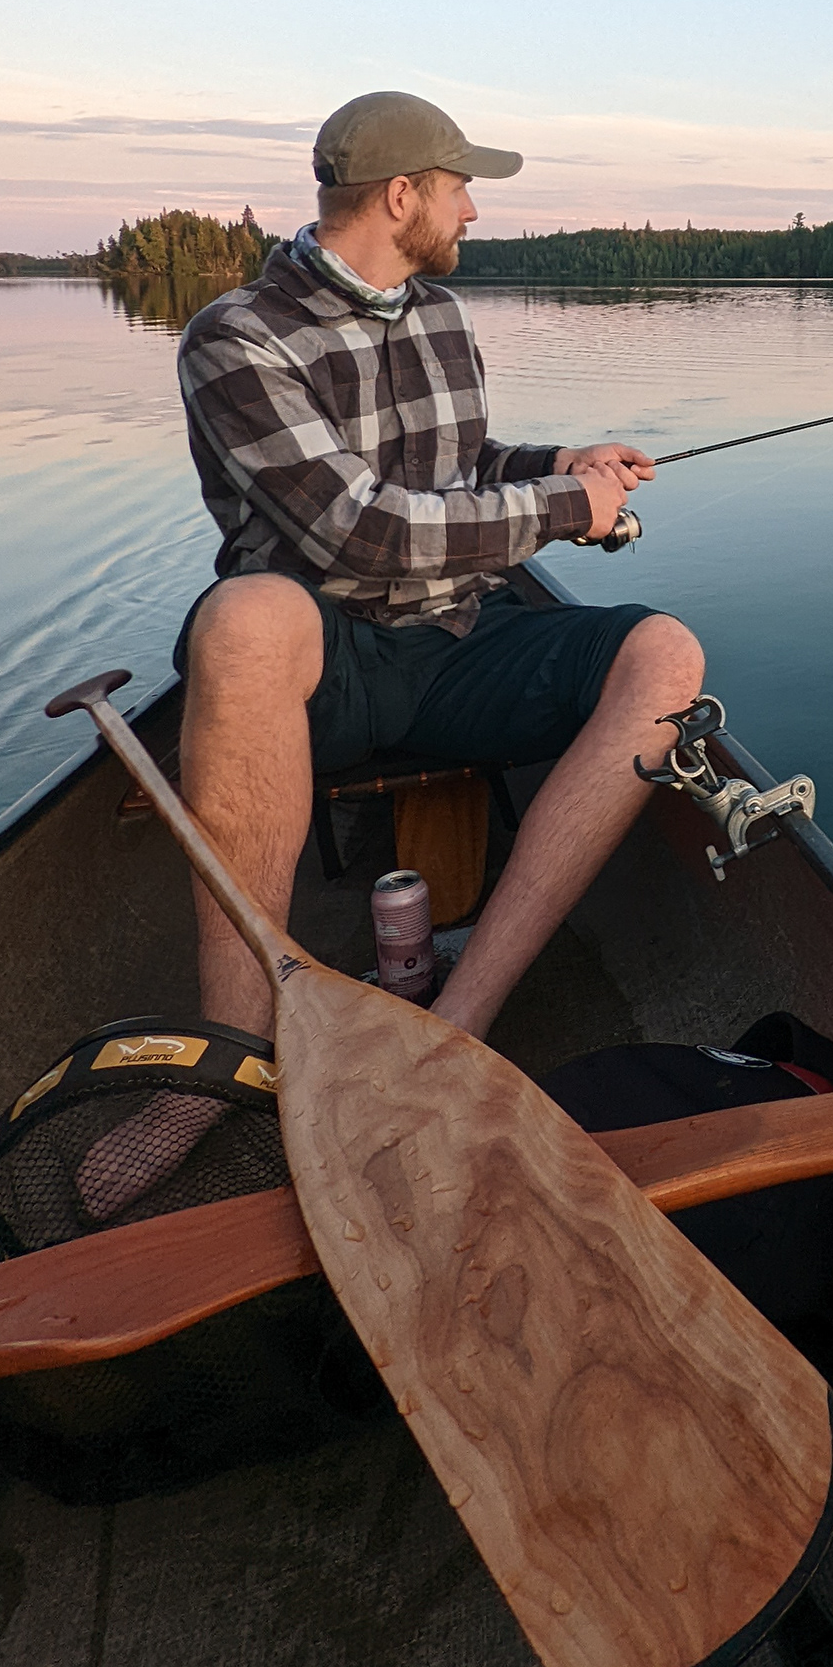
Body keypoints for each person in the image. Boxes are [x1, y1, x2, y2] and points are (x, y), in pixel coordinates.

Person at [170, 89, 705, 1044]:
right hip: (326, 662)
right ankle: (236, 1056)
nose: (473, 210)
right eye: (459, 189)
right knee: (244, 620)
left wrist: (562, 466)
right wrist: (563, 511)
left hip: (460, 638)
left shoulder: (444, 315)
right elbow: (359, 530)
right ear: (402, 196)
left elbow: (461, 466)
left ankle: (459, 1023)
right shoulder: (236, 337)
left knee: (665, 656)